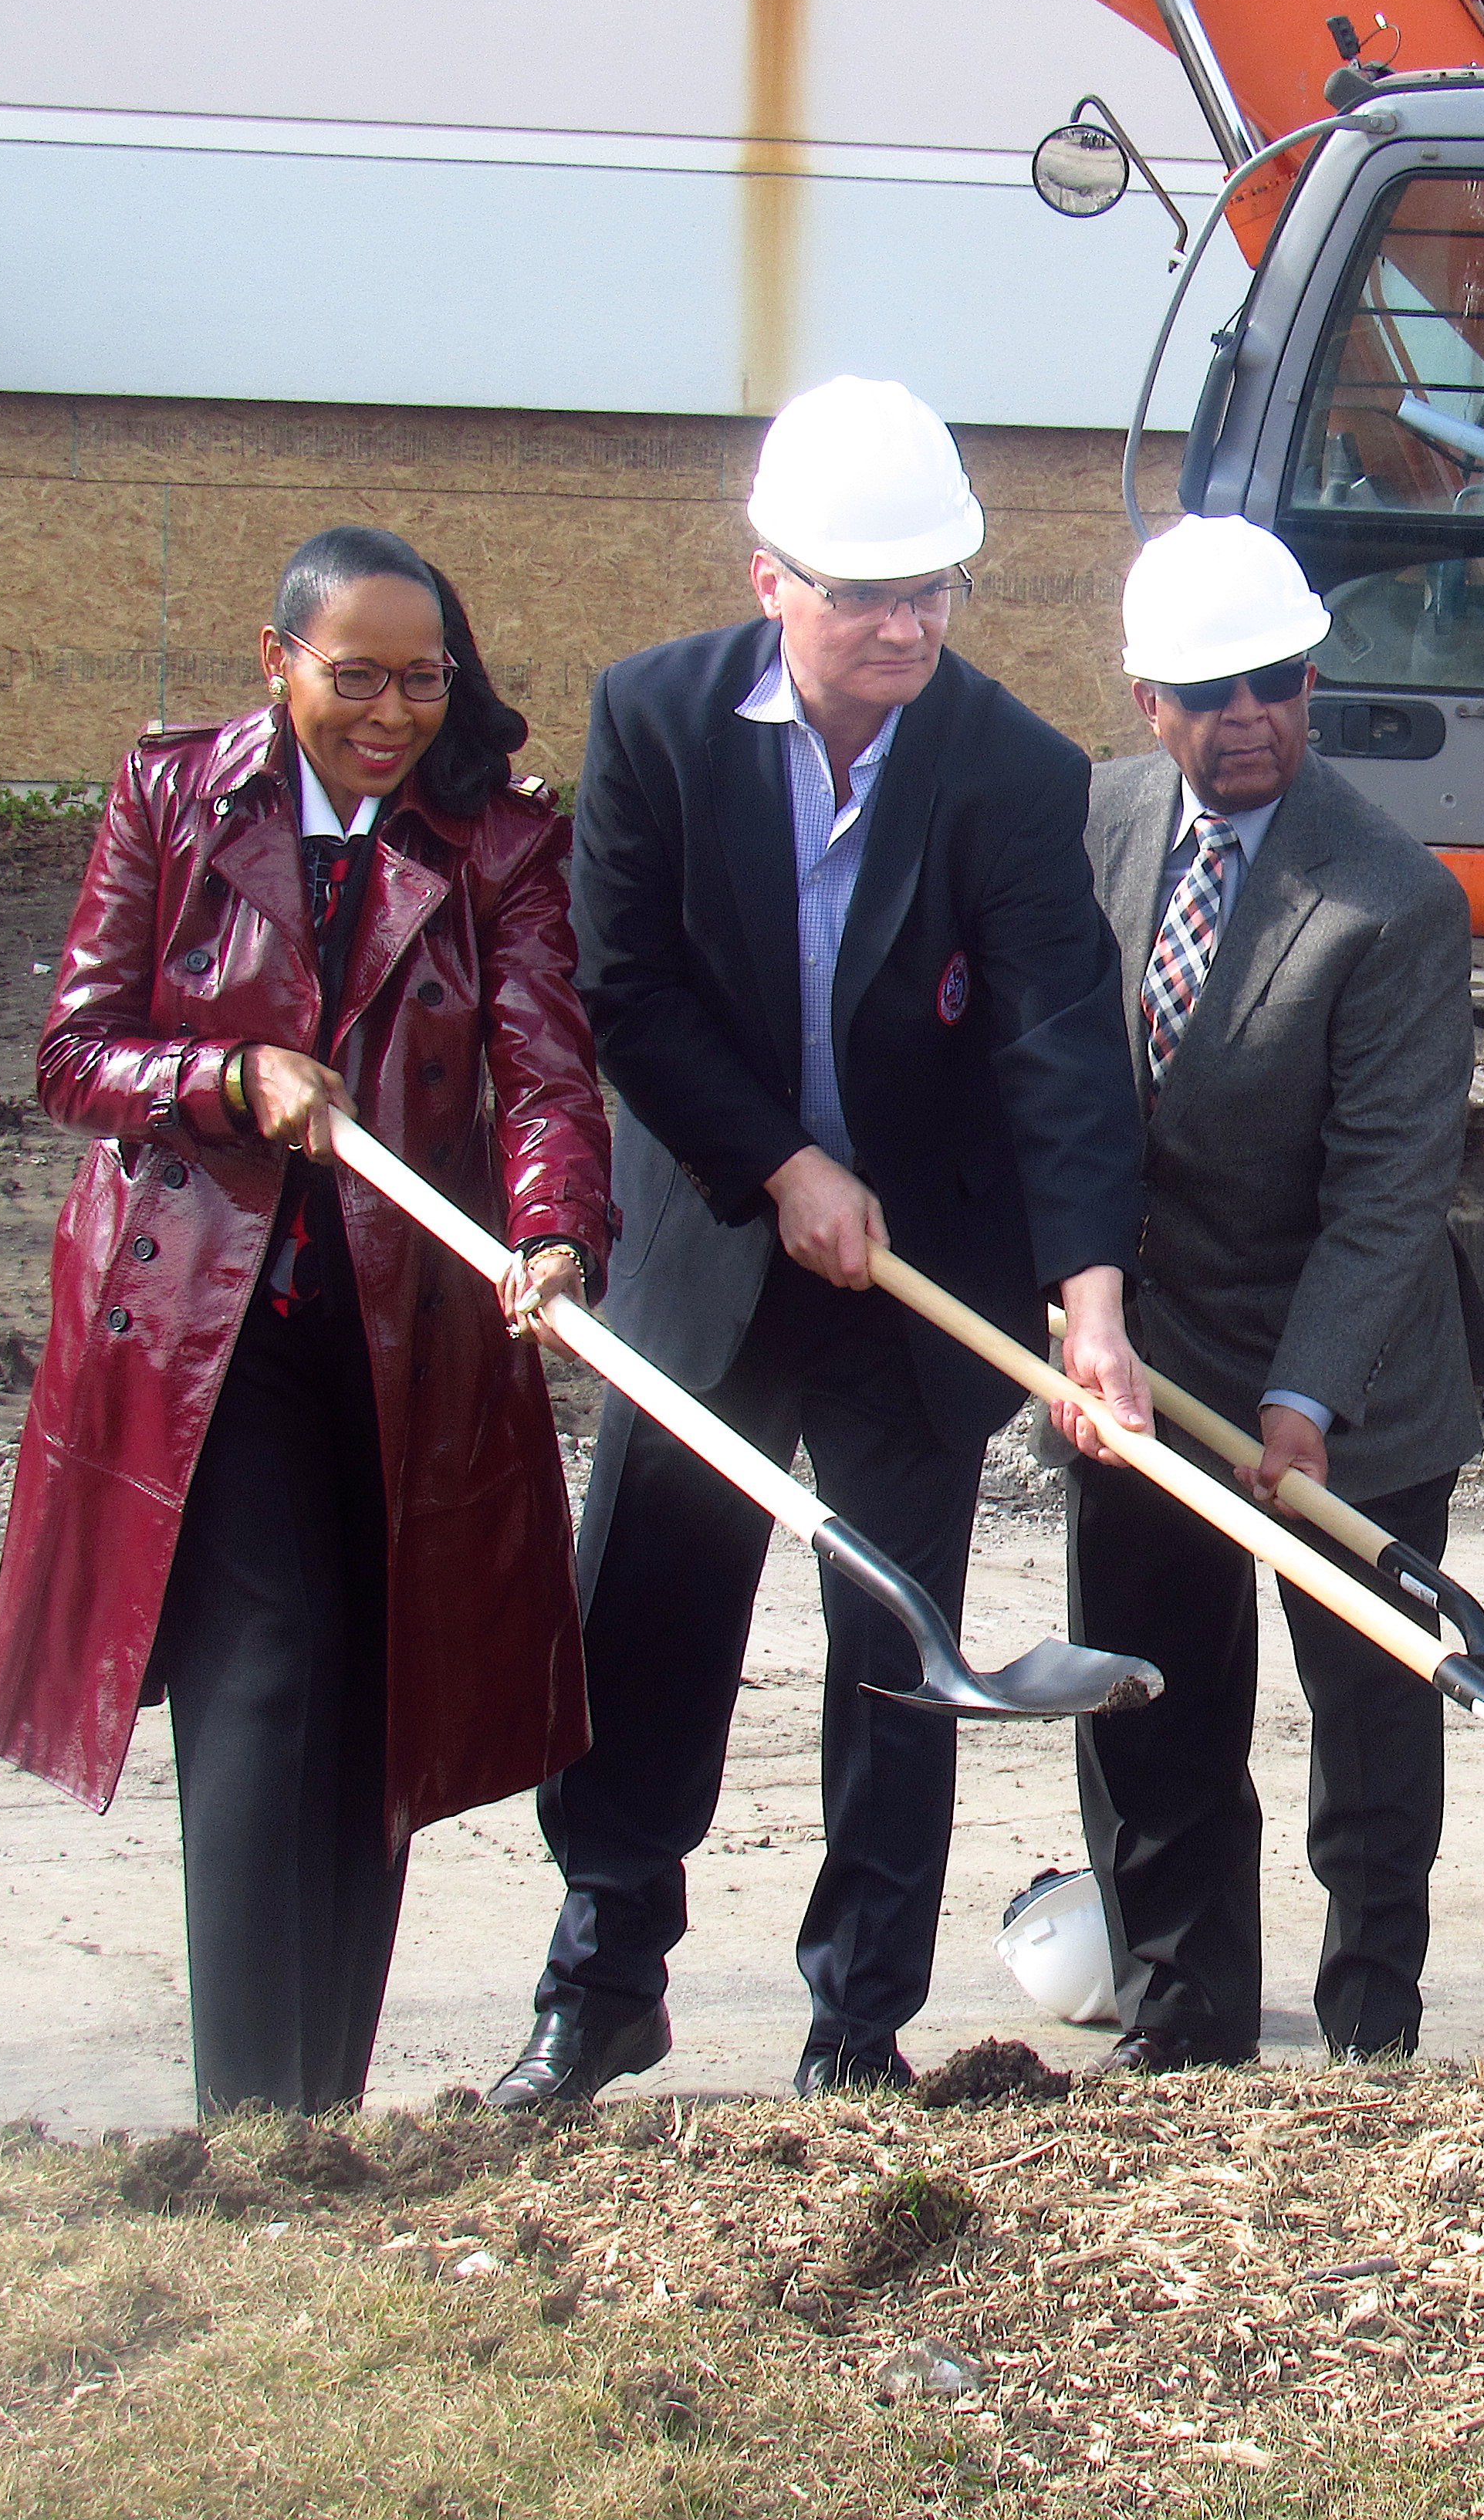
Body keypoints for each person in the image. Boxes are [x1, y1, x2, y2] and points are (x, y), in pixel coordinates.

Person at [492, 376, 1150, 2107]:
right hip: (710, 1248)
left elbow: (1060, 1039)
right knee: (649, 1609)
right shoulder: (652, 723)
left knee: (898, 1651)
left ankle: (858, 2024)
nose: (906, 623)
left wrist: (1090, 1300)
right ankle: (602, 1971)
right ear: (769, 574)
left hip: (920, 1273)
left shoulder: (1009, 765)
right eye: (866, 592)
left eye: (932, 585)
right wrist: (781, 1162)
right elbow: (621, 989)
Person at [0, 526, 611, 2119]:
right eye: (356, 679)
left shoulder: (498, 846)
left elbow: (543, 1070)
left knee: (375, 1701)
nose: (392, 714)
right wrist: (228, 1077)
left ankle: (320, 2106)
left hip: (414, 1340)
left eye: (423, 679)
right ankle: (247, 2123)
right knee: (264, 1674)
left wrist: (551, 1230)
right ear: (279, 665)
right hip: (203, 1333)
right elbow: (75, 1053)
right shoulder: (172, 795)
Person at [1065, 516, 1483, 2071]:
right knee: (1154, 1711)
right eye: (1208, 690)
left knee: (1369, 1730)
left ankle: (1371, 2024)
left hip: (1348, 1376)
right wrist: (1078, 1300)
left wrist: (1302, 1401)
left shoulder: (1389, 900)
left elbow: (1386, 1195)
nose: (1247, 716)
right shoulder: (1091, 826)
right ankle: (1184, 2026)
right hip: (1141, 1369)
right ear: (1144, 700)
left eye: (1277, 681)